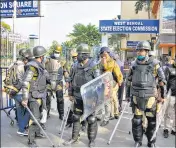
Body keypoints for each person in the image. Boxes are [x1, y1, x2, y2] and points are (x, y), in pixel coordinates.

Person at [126, 41, 166, 147]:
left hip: (150, 97)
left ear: (147, 51)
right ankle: (138, 141)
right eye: (138, 50)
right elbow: (128, 80)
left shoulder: (155, 64)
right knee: (137, 121)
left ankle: (151, 141)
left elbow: (162, 80)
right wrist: (127, 95)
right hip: (136, 96)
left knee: (151, 121)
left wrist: (163, 96)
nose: (139, 52)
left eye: (142, 50)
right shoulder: (133, 64)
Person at [64, 43, 101, 147]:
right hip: (77, 96)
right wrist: (70, 93)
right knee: (76, 117)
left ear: (85, 55)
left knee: (91, 119)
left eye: (79, 53)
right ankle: (74, 138)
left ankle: (91, 140)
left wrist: (96, 98)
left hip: (90, 97)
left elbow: (98, 83)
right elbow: (70, 80)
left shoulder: (94, 66)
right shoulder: (75, 65)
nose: (78, 55)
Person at [21, 46, 51, 147]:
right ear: (41, 56)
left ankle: (37, 133)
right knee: (34, 119)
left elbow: (47, 78)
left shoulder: (40, 66)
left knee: (40, 116)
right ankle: (31, 141)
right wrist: (25, 98)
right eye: (44, 56)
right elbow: (25, 83)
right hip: (34, 96)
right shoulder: (32, 66)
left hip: (41, 95)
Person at [3, 48, 33, 136]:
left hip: (12, 90)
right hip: (20, 91)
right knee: (29, 109)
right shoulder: (23, 66)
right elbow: (24, 81)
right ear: (25, 56)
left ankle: (21, 128)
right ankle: (22, 129)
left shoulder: (13, 63)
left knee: (19, 110)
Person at [99, 47, 123, 126]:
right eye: (102, 54)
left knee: (111, 99)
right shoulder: (100, 61)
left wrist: (119, 82)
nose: (102, 56)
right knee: (104, 100)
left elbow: (117, 73)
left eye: (104, 54)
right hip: (103, 84)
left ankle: (113, 114)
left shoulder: (112, 62)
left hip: (112, 84)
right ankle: (107, 114)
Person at [45, 45, 69, 120]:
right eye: (56, 52)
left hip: (58, 81)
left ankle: (61, 114)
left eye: (58, 52)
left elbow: (65, 71)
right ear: (53, 51)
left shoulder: (63, 60)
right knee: (47, 99)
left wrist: (67, 81)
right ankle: (47, 114)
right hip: (48, 82)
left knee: (60, 99)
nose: (57, 53)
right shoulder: (48, 59)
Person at [163, 58, 176, 138]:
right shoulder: (169, 68)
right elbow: (164, 81)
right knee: (168, 112)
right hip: (171, 94)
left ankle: (174, 129)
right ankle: (166, 129)